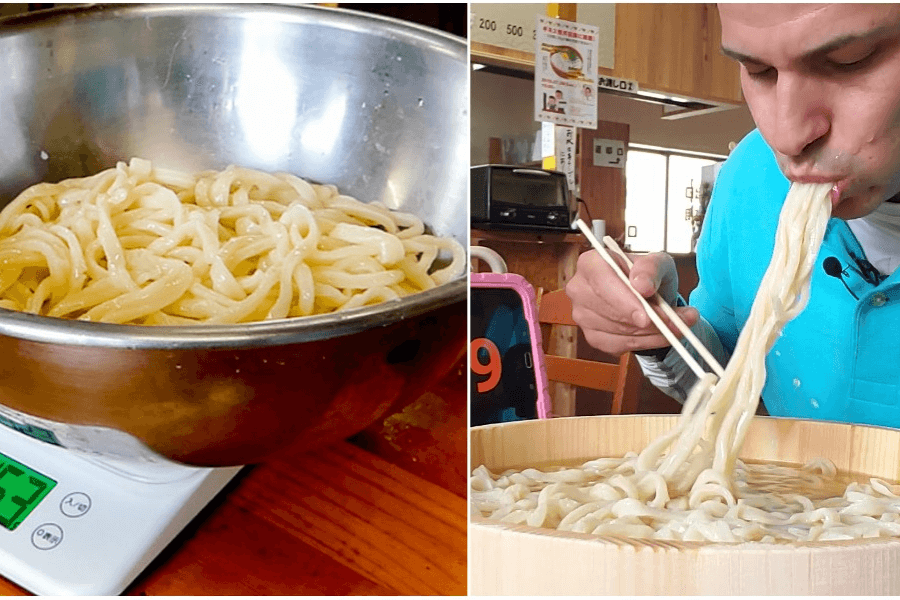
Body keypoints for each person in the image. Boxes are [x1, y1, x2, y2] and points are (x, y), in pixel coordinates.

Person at [565, 4, 900, 428]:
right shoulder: (750, 175)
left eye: (850, 60)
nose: (786, 134)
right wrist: (661, 328)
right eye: (758, 70)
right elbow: (725, 381)